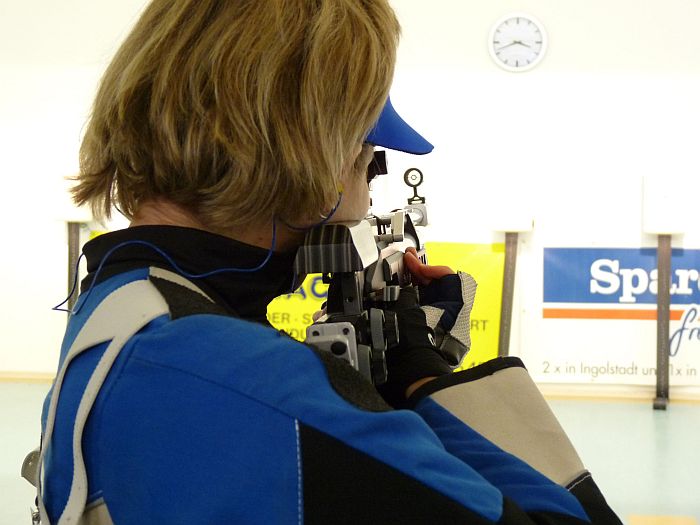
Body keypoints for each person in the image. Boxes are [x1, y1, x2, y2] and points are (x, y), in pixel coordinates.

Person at [29, 1, 622, 523]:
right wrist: (424, 376)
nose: (364, 199)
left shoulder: (124, 304)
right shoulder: (245, 380)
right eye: (369, 160)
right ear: (312, 152)